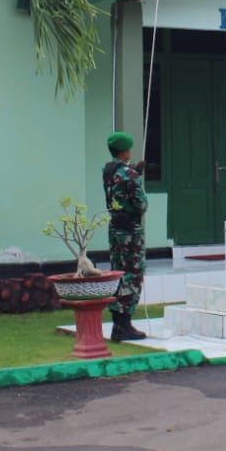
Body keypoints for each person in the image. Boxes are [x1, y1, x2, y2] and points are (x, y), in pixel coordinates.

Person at [103, 131, 148, 340]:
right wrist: (136, 176)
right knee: (133, 273)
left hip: (115, 228)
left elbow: (120, 186)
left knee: (118, 271)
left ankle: (117, 323)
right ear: (124, 151)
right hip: (130, 230)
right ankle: (125, 324)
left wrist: (134, 172)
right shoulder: (130, 175)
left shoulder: (109, 170)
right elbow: (141, 204)